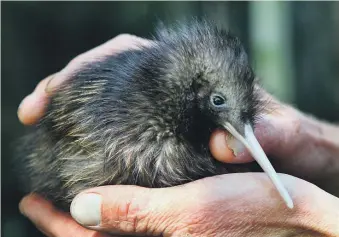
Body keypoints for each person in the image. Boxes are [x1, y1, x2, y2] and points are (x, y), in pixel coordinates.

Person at [18, 34, 339, 237]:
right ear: (192, 90)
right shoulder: (122, 130)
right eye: (218, 102)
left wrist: (317, 221)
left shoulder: (197, 141)